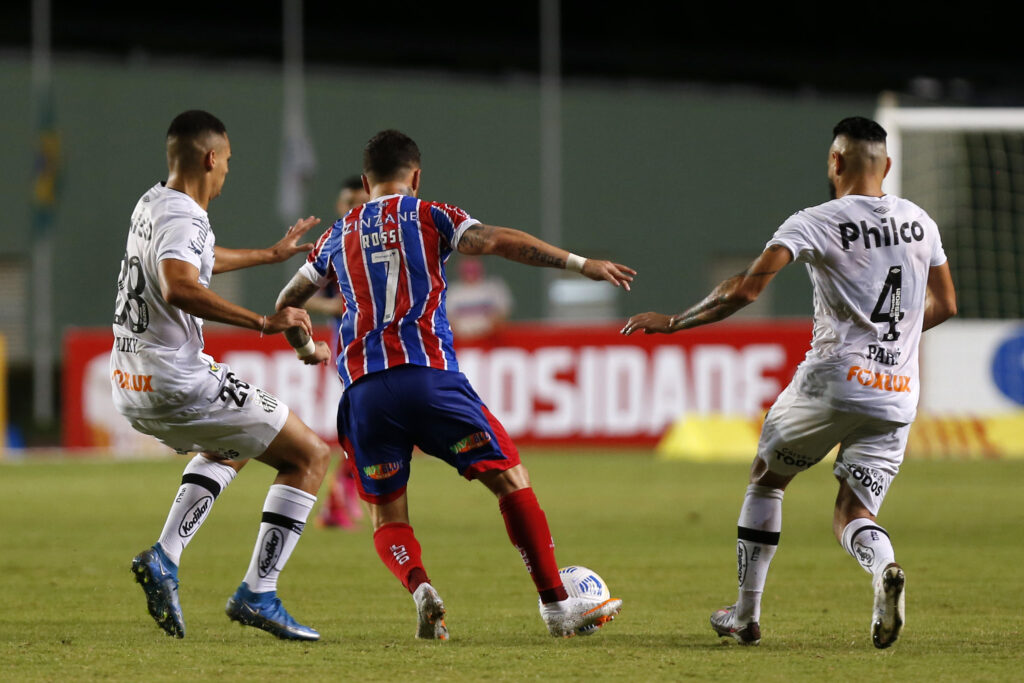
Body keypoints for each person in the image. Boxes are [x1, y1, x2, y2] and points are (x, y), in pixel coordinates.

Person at [275, 129, 635, 639]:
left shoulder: (337, 235)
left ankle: (421, 588)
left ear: (365, 181)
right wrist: (580, 264)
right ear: (415, 177)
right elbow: (493, 241)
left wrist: (306, 348)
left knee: (386, 517)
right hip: (429, 379)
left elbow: (288, 299)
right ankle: (557, 606)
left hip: (364, 394)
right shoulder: (431, 214)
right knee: (510, 480)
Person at [622, 116, 957, 649]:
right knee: (854, 511)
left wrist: (676, 321)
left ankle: (745, 614)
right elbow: (947, 304)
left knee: (767, 479)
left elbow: (746, 289)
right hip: (896, 390)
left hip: (833, 380)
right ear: (887, 166)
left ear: (835, 163)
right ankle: (884, 570)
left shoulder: (814, 221)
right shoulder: (921, 222)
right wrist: (890, 350)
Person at [115, 110, 333, 641]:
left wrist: (272, 255)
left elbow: (193, 261)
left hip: (130, 382)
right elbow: (179, 285)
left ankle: (165, 556)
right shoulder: (187, 215)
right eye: (229, 159)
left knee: (235, 440)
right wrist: (264, 321)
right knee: (309, 456)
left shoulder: (152, 203)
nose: (229, 170)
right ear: (211, 157)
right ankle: (258, 593)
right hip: (175, 380)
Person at [303, 176, 370, 530]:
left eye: (362, 200)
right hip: (349, 349)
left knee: (377, 428)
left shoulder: (376, 240)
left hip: (381, 346)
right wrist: (341, 307)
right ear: (339, 206)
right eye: (349, 201)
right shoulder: (334, 244)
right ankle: (337, 501)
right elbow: (303, 294)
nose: (355, 207)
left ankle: (342, 498)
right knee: (368, 426)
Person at [446, 255, 513, 339]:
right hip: (461, 341)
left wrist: (486, 328)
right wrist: (463, 331)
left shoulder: (494, 287)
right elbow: (448, 319)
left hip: (491, 339)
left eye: (473, 261)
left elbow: (503, 312)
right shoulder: (452, 291)